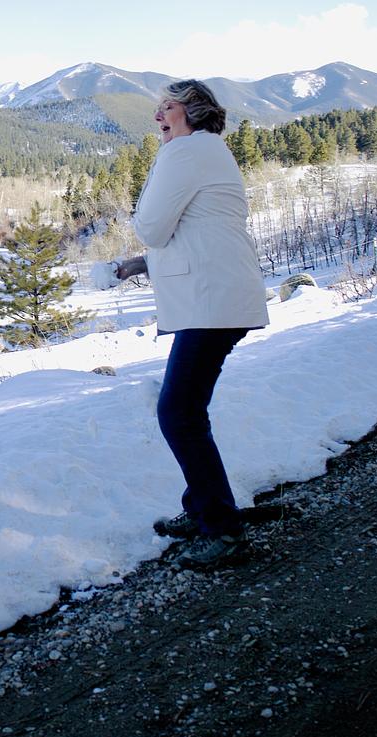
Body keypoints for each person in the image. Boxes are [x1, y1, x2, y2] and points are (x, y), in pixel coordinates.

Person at [116, 80, 269, 570]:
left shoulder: (183, 153)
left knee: (178, 413)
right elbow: (201, 228)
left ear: (192, 111)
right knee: (186, 410)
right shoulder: (209, 150)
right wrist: (144, 264)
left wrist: (145, 227)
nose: (158, 115)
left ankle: (223, 530)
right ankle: (204, 508)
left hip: (211, 302)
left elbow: (152, 227)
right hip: (219, 295)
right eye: (157, 107)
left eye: (168, 106)